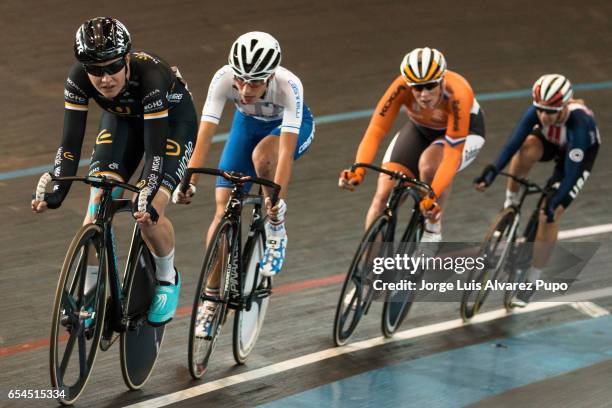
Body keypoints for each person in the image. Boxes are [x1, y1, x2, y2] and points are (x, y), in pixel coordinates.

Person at [31, 17, 198, 326]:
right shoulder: (78, 80)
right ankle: (90, 293)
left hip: (171, 125)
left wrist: (148, 191)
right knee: (96, 209)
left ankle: (167, 277)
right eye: (95, 70)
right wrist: (56, 194)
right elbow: (69, 144)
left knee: (149, 212)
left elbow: (156, 152)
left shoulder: (151, 76)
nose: (104, 79)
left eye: (112, 67)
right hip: (122, 121)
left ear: (126, 59)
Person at [173, 31, 314, 336]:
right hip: (247, 126)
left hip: (288, 129)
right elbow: (205, 133)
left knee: (265, 155)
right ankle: (211, 299)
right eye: (240, 80)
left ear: (270, 77)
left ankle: (276, 227)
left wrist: (275, 203)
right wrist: (189, 179)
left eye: (254, 83)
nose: (244, 89)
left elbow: (285, 155)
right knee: (222, 210)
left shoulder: (289, 86)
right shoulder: (224, 78)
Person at [475, 74, 600, 307]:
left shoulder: (579, 124)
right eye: (540, 109)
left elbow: (571, 173)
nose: (543, 116)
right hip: (552, 141)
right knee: (526, 148)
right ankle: (510, 204)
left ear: (564, 106)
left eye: (550, 111)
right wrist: (492, 171)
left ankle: (533, 280)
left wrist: (555, 202)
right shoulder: (540, 112)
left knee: (548, 215)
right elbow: (512, 143)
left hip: (577, 155)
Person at [339, 47, 485, 247]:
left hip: (464, 134)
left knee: (429, 165)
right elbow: (376, 129)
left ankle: (433, 228)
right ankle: (370, 271)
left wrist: (432, 195)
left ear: (442, 80)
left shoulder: (458, 92)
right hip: (421, 130)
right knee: (383, 197)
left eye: (430, 86)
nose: (424, 94)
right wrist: (359, 169)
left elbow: (451, 154)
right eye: (417, 88)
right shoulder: (400, 87)